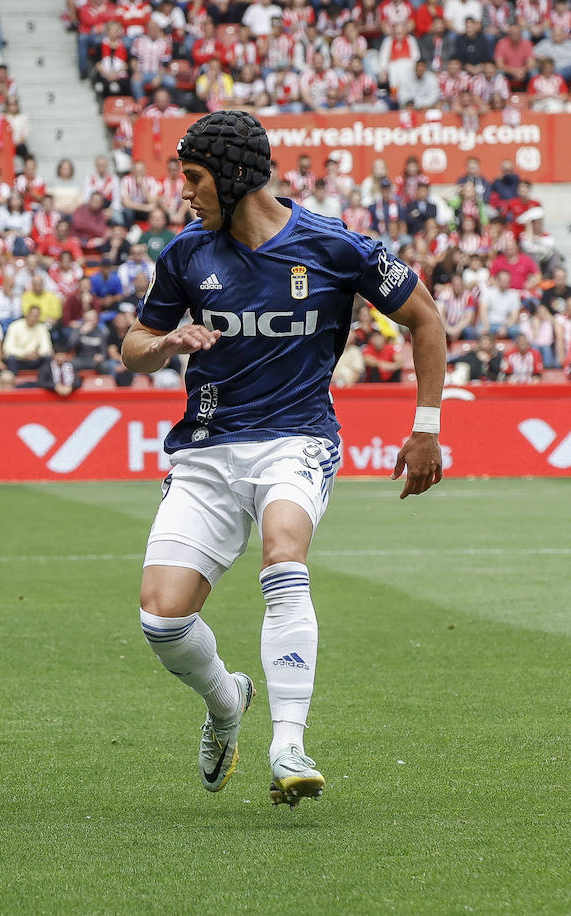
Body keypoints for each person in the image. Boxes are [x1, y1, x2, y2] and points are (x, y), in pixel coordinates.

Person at [121, 111, 445, 808]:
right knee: (161, 619)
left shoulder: (335, 246)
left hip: (296, 437)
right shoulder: (185, 255)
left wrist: (426, 426)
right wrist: (168, 343)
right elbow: (134, 345)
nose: (184, 193)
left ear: (235, 176)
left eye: (194, 178)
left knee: (284, 556)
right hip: (206, 451)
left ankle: (289, 744)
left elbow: (425, 318)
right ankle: (226, 702)